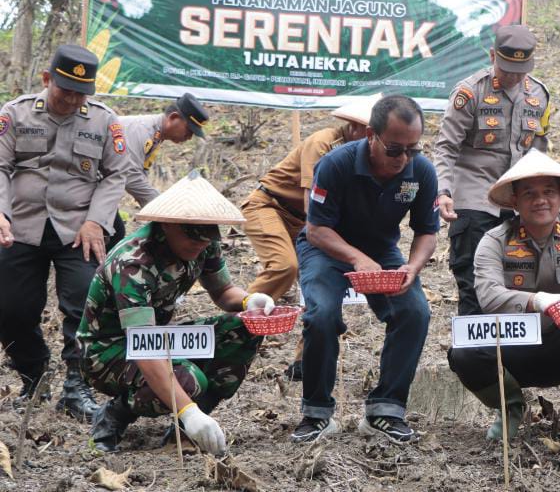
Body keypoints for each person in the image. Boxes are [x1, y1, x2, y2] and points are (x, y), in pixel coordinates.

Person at [80, 171, 269, 454]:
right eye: (193, 238)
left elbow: (223, 292)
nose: (201, 245)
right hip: (108, 350)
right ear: (167, 225)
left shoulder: (204, 243)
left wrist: (249, 301)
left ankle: (188, 429)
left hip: (158, 337)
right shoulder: (133, 263)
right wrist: (186, 410)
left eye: (206, 239)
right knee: (188, 379)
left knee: (243, 329)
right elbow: (143, 346)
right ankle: (116, 413)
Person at [448, 150, 560, 448]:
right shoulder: (494, 240)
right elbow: (489, 295)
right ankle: (511, 409)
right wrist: (539, 301)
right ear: (514, 201)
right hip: (514, 348)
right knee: (464, 351)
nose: (540, 200)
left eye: (548, 192)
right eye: (529, 193)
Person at [294, 95, 438, 445]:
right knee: (322, 315)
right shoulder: (334, 165)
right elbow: (315, 229)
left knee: (415, 312)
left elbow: (427, 232)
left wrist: (412, 266)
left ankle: (386, 410)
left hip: (381, 249)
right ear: (371, 135)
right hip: (326, 247)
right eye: (394, 149)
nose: (403, 158)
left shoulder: (421, 171)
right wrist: (356, 258)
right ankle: (316, 413)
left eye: (412, 148)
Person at [0, 44, 132, 420]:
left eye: (81, 93)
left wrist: (97, 221)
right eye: (65, 90)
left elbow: (116, 174)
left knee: (83, 307)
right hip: (22, 225)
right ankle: (34, 374)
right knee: (10, 310)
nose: (72, 99)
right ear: (47, 79)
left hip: (78, 229)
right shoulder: (16, 113)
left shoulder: (105, 122)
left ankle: (76, 387)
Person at [240, 93, 378, 380]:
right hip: (272, 207)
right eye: (370, 133)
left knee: (322, 281)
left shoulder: (366, 156)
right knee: (283, 267)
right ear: (355, 127)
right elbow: (311, 208)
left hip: (311, 222)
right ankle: (239, 332)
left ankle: (305, 361)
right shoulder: (323, 143)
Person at [434, 25, 549, 315]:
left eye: (520, 70)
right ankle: (474, 358)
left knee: (519, 284)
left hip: (516, 201)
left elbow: (538, 149)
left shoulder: (538, 93)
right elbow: (446, 147)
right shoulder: (470, 92)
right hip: (475, 198)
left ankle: (512, 358)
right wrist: (443, 191)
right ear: (492, 56)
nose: (513, 76)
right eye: (507, 68)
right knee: (475, 284)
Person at [118, 93, 210, 213]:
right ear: (173, 118)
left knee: (116, 230)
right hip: (88, 182)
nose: (189, 137)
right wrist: (163, 207)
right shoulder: (142, 130)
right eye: (189, 130)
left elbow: (140, 173)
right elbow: (130, 175)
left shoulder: (156, 134)